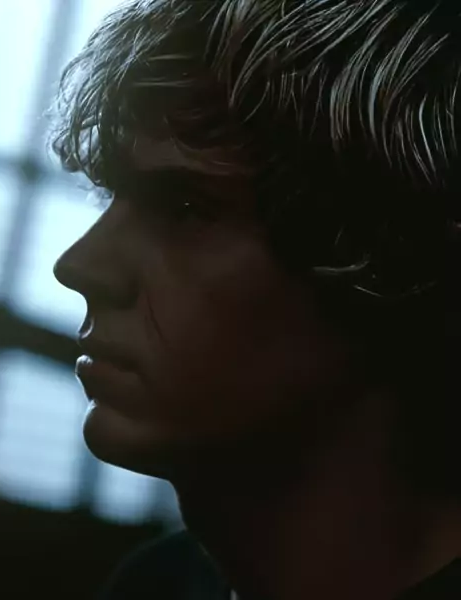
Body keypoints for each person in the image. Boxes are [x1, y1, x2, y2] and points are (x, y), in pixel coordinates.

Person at [50, 1, 458, 598]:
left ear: (393, 258)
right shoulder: (156, 585)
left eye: (186, 208)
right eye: (111, 194)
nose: (78, 266)